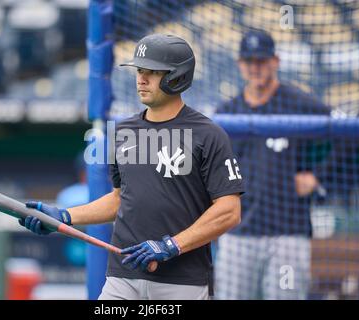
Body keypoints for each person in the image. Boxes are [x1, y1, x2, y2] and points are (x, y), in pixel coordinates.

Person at [19, 34, 244, 300]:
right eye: (139, 70)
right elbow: (119, 200)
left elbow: (229, 211)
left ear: (177, 76)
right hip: (123, 276)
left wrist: (171, 245)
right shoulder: (123, 131)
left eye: (152, 72)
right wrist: (64, 216)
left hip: (182, 281)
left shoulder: (208, 134)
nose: (141, 79)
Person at [215, 29, 330, 300]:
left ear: (275, 61)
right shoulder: (226, 112)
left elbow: (349, 136)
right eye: (249, 61)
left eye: (262, 60)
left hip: (288, 233)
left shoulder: (300, 103)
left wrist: (318, 176)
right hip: (238, 233)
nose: (255, 67)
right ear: (240, 64)